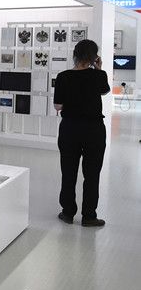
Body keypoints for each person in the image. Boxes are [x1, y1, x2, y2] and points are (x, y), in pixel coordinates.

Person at [52, 39, 110, 227]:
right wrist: (98, 69)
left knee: (68, 171)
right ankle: (89, 216)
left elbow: (58, 106)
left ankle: (68, 212)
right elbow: (104, 91)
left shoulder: (63, 76)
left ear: (75, 55)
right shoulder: (99, 75)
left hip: (70, 128)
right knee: (92, 174)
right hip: (94, 129)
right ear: (94, 57)